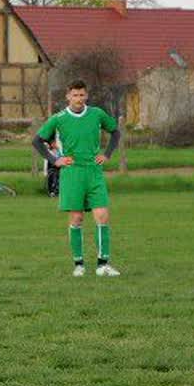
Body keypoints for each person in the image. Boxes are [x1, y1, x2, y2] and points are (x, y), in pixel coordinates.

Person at [36, 81, 122, 277]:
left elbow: (115, 132)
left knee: (102, 216)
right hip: (72, 173)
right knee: (77, 218)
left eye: (82, 95)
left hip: (93, 172)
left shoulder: (97, 114)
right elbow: (37, 141)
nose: (79, 99)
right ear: (68, 96)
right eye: (75, 95)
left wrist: (107, 154)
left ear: (87, 95)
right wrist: (55, 160)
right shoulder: (59, 119)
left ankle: (103, 265)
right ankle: (79, 265)